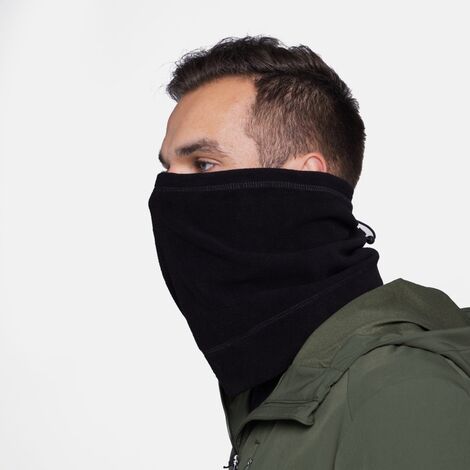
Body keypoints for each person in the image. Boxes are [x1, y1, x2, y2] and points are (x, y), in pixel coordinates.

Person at [147, 35, 470, 469]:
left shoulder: (398, 392)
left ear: (303, 182)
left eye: (203, 164)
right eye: (168, 168)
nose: (167, 193)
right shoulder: (279, 387)